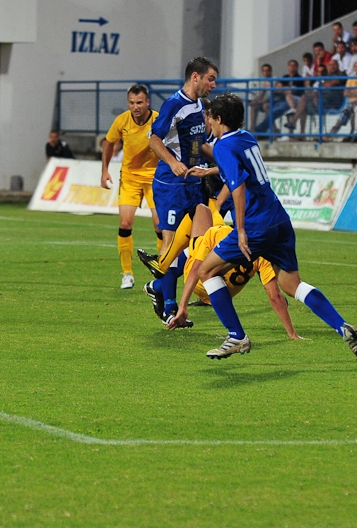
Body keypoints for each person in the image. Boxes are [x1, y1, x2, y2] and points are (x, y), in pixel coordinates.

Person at [167, 93, 357, 360]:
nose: (208, 122)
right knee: (293, 285)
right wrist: (211, 171)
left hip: (255, 225)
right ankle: (340, 325)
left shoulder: (223, 146)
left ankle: (236, 336)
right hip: (279, 220)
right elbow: (243, 168)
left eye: (210, 117)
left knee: (206, 270)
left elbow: (238, 187)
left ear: (219, 118)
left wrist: (240, 230)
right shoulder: (246, 137)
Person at [138, 56, 218, 324]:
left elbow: (200, 145)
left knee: (198, 244)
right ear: (195, 77)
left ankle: (157, 286)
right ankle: (169, 307)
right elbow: (154, 140)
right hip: (171, 185)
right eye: (210, 79)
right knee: (171, 243)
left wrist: (224, 160)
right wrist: (173, 163)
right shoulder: (174, 104)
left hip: (194, 183)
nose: (213, 85)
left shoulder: (198, 105)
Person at [150, 204, 302, 338]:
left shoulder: (220, 233)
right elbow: (275, 296)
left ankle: (163, 275)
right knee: (204, 237)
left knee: (201, 211)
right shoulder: (264, 254)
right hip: (219, 295)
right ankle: (157, 285)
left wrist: (183, 306)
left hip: (200, 280)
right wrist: (292, 333)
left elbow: (196, 269)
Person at [100, 84, 162, 290]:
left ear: (147, 102)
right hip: (130, 177)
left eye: (140, 103)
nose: (136, 107)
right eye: (132, 103)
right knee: (125, 223)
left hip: (155, 178)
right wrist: (105, 170)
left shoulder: (158, 119)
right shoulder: (122, 121)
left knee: (160, 226)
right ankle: (127, 273)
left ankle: (162, 270)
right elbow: (109, 143)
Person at [248, 63, 273, 131]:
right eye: (264, 71)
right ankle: (252, 128)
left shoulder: (274, 80)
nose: (266, 72)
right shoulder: (264, 82)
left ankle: (272, 128)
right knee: (254, 106)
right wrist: (254, 101)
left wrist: (264, 101)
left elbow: (275, 95)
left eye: (267, 70)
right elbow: (261, 94)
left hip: (273, 102)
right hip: (264, 102)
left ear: (271, 71)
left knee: (266, 106)